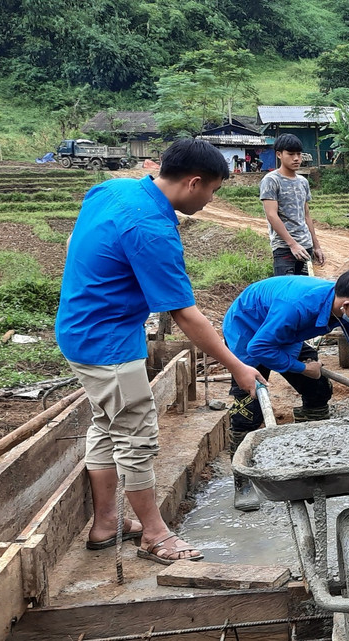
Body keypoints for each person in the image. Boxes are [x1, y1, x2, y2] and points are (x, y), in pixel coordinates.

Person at [56, 139, 264, 565]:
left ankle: (106, 524)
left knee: (107, 424)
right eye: (213, 191)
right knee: (136, 436)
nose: (210, 201)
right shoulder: (152, 229)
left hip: (81, 327)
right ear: (193, 182)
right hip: (107, 344)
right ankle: (155, 534)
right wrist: (238, 367)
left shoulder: (114, 189)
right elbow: (186, 316)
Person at [222, 269, 349, 511]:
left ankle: (309, 459)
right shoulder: (297, 306)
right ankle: (242, 482)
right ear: (347, 304)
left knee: (318, 390)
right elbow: (259, 349)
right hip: (249, 332)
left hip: (285, 332)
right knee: (248, 408)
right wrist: (302, 368)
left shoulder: (343, 311)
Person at [261, 134, 323, 277]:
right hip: (284, 248)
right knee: (285, 293)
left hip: (306, 247)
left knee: (304, 292)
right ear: (279, 155)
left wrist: (316, 246)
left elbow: (306, 216)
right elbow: (271, 215)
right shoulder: (271, 181)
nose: (296, 158)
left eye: (299, 154)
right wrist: (292, 244)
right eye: (290, 154)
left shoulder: (303, 182)